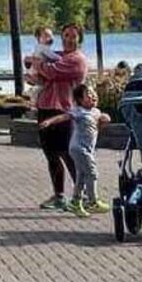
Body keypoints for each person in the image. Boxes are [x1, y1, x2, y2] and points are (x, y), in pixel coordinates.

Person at [32, 23, 89, 210]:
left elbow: (52, 72)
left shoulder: (77, 59)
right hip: (45, 107)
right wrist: (36, 69)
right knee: (51, 155)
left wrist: (37, 63)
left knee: (68, 153)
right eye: (65, 35)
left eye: (73, 36)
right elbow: (40, 75)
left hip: (65, 111)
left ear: (79, 38)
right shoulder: (57, 55)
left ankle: (84, 195)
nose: (68, 39)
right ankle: (59, 196)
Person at [39, 84, 111, 217]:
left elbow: (95, 129)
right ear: (80, 100)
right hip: (78, 148)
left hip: (87, 149)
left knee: (81, 176)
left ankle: (75, 202)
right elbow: (64, 117)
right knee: (92, 172)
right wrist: (49, 121)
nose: (93, 96)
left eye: (93, 93)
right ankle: (92, 201)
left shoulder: (96, 112)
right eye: (88, 95)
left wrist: (104, 120)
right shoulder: (79, 111)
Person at [24, 26, 59, 104]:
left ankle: (35, 98)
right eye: (46, 36)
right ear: (38, 38)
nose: (49, 38)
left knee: (41, 87)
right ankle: (36, 99)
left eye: (51, 35)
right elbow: (52, 56)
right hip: (36, 71)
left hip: (35, 70)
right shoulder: (42, 47)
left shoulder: (40, 47)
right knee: (42, 86)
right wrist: (63, 59)